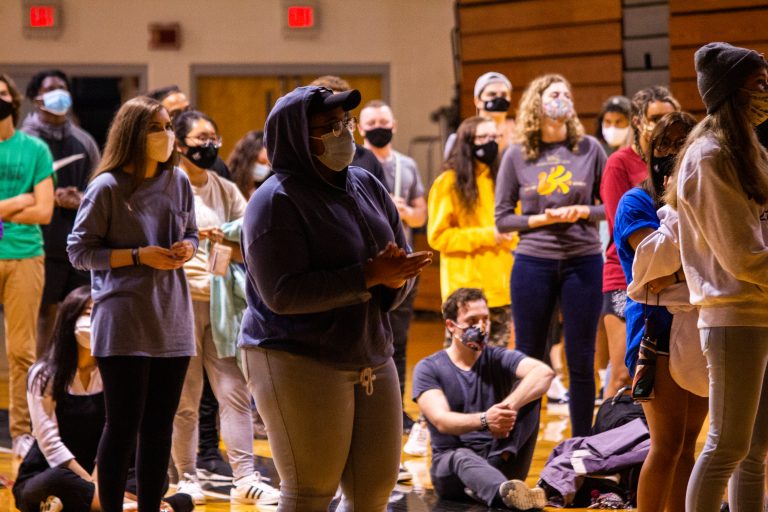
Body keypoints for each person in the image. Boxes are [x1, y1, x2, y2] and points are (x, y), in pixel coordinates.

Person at [239, 85, 432, 511]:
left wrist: (395, 278)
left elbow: (394, 263)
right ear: (296, 138)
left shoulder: (366, 183)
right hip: (295, 355)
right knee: (311, 490)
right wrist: (368, 276)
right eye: (328, 126)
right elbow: (282, 294)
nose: (343, 132)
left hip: (369, 350)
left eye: (345, 123)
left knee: (373, 490)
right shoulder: (273, 201)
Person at [67, 95, 198, 512]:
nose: (166, 135)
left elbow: (192, 232)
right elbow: (79, 252)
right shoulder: (106, 187)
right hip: (123, 319)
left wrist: (188, 248)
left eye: (169, 127)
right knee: (123, 426)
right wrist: (139, 256)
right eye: (156, 128)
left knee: (159, 429)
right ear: (133, 135)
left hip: (172, 318)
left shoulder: (178, 180)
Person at [664, 42, 768, 512]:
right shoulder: (709, 156)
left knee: (756, 448)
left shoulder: (749, 149)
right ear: (730, 92)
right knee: (726, 445)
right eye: (758, 84)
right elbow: (742, 256)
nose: (766, 92)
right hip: (733, 316)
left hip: (759, 310)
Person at [170, 109, 278, 506]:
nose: (208, 145)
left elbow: (252, 242)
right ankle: (186, 477)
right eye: (200, 138)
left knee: (233, 393)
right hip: (179, 304)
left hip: (222, 305)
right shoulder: (168, 185)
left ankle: (245, 478)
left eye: (212, 137)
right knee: (185, 398)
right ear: (179, 144)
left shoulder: (225, 188)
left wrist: (224, 241)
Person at [12, 286, 193, 512]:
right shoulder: (44, 374)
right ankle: (154, 507)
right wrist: (92, 485)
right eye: (88, 313)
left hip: (106, 470)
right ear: (69, 320)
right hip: (57, 469)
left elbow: (118, 431)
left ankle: (99, 504)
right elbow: (48, 441)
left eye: (100, 313)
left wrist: (101, 482)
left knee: (153, 474)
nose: (93, 321)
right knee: (54, 481)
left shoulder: (116, 371)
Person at [495, 73, 606, 437]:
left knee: (581, 357)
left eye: (566, 94)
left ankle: (582, 443)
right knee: (529, 357)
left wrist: (583, 211)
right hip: (533, 261)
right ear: (537, 105)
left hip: (582, 259)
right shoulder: (517, 153)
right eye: (554, 94)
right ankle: (521, 442)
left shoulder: (590, 148)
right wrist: (541, 219)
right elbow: (503, 218)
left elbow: (611, 205)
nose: (563, 99)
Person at [614, 111, 707, 511]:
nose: (671, 151)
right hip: (655, 334)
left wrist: (683, 273)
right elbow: (655, 271)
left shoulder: (705, 199)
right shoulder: (635, 201)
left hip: (700, 329)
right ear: (650, 151)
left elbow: (712, 261)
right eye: (663, 144)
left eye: (681, 142)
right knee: (665, 445)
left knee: (688, 445)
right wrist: (690, 270)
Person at [412, 287, 553, 510]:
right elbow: (441, 420)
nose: (481, 327)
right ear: (451, 326)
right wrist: (486, 419)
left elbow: (543, 373)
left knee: (530, 394)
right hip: (453, 471)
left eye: (485, 319)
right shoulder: (429, 368)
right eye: (471, 320)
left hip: (500, 458)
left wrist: (508, 407)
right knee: (461, 456)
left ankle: (502, 490)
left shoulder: (497, 357)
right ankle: (504, 494)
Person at [599, 86, 679, 399]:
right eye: (656, 118)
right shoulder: (619, 163)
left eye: (669, 117)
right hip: (626, 273)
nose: (663, 124)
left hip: (672, 277)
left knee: (669, 374)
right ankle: (608, 431)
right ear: (638, 121)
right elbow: (620, 224)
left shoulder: (680, 160)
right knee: (622, 373)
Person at [21, 69, 100, 356]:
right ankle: (40, 377)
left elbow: (100, 190)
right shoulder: (23, 142)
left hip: (77, 245)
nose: (59, 94)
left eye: (63, 88)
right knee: (43, 316)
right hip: (37, 245)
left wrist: (81, 199)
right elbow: (10, 193)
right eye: (51, 89)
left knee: (80, 313)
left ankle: (74, 380)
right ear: (36, 98)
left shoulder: (84, 141)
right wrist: (48, 198)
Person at [359, 98, 427, 430]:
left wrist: (404, 212)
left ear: (395, 126)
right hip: (367, 264)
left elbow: (420, 215)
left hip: (402, 264)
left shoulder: (407, 165)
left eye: (383, 123)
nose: (378, 129)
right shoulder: (355, 163)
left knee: (398, 341)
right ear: (360, 129)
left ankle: (396, 409)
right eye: (371, 124)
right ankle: (366, 409)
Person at [0, 73, 55, 462]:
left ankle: (21, 431)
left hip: (25, 255)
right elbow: (31, 204)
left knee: (22, 350)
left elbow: (45, 210)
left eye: (2, 93)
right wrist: (18, 201)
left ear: (13, 100)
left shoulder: (35, 149)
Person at [427, 116, 516, 346]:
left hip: (499, 290)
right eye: (483, 137)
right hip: (464, 293)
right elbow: (438, 237)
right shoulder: (447, 182)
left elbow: (515, 226)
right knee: (462, 363)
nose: (490, 142)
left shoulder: (502, 178)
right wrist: (489, 235)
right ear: (467, 142)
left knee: (496, 363)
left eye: (494, 136)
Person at [308, 75, 386, 184]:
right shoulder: (297, 178)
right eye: (332, 123)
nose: (344, 132)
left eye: (344, 120)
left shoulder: (366, 159)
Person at [147, 85, 231, 180]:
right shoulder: (153, 164)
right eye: (175, 114)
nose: (186, 117)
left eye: (188, 110)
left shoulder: (211, 162)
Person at [444, 72, 514, 159]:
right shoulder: (460, 140)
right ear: (478, 101)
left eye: (504, 95)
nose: (499, 99)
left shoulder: (519, 137)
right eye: (492, 94)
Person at [227, 129, 270, 199]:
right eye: (261, 162)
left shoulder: (264, 189)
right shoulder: (228, 186)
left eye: (268, 164)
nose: (266, 168)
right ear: (247, 159)